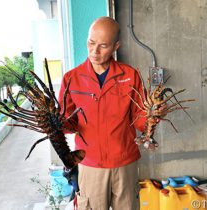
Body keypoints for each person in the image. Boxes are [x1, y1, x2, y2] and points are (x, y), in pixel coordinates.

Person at [59, 16, 160, 210]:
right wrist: (56, 124)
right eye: (91, 43)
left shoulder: (130, 75)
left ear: (116, 46)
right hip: (90, 163)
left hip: (124, 162)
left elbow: (139, 120)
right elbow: (68, 125)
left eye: (103, 46)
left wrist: (151, 119)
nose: (94, 51)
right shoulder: (71, 79)